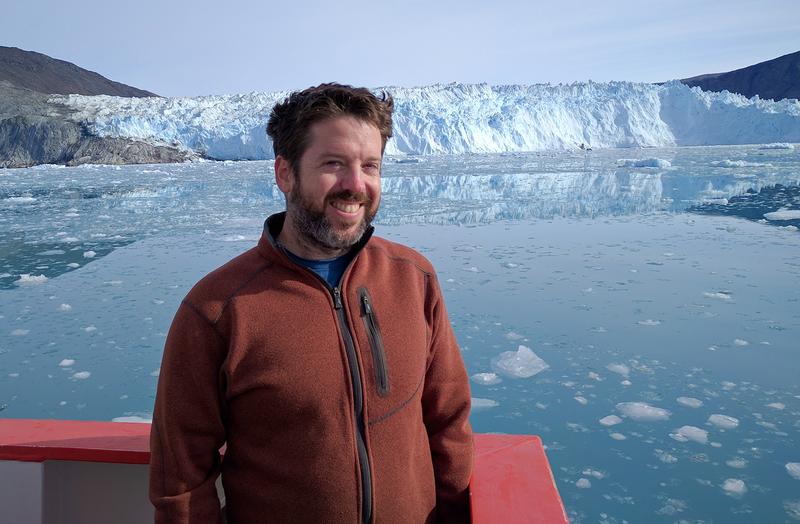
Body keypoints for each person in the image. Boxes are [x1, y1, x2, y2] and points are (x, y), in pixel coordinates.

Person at [149, 83, 473, 523]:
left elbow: (448, 419)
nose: (355, 185)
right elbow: (180, 478)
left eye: (370, 166)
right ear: (285, 173)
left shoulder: (413, 279)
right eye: (333, 164)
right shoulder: (217, 310)